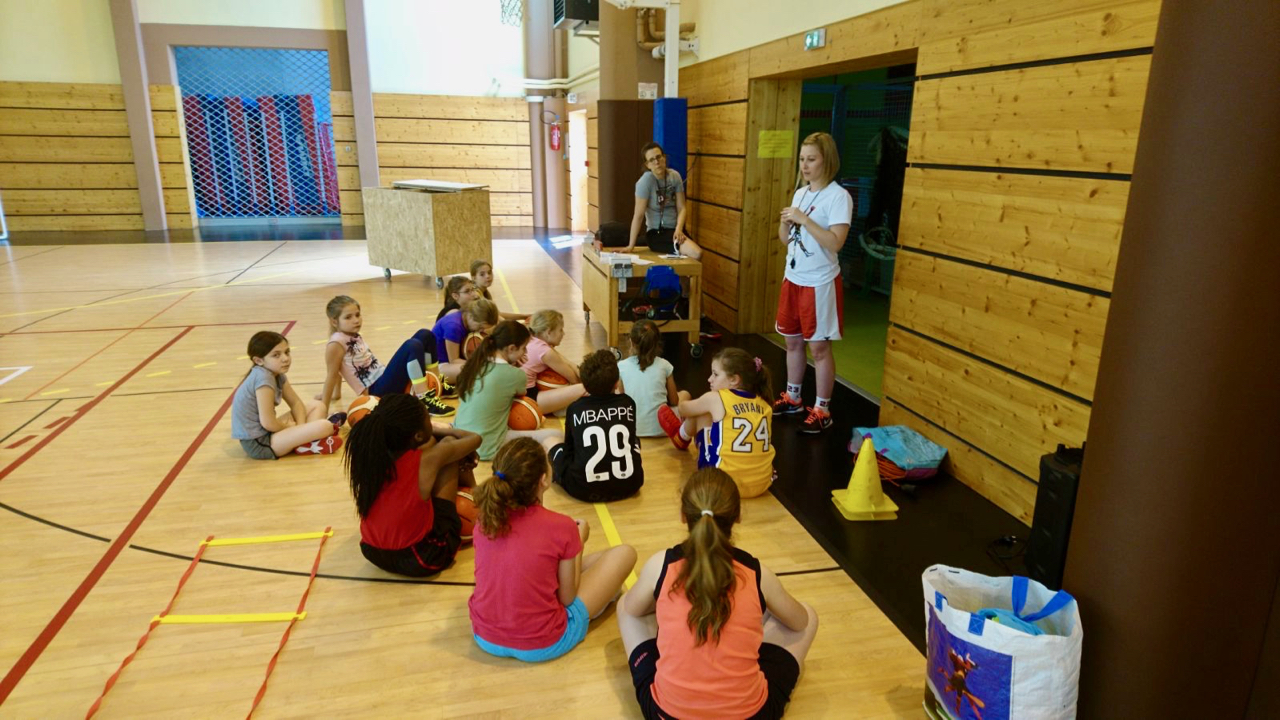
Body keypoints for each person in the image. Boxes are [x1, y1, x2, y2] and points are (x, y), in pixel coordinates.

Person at [616, 468, 819, 719]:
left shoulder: (661, 565)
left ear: (683, 515)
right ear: (738, 516)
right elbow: (800, 622)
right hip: (751, 716)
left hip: (667, 715)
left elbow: (632, 609)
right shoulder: (757, 574)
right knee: (808, 614)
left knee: (626, 606)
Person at [469, 437, 637, 662]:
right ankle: (603, 600)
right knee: (625, 553)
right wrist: (579, 541)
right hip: (543, 643)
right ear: (544, 480)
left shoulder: (485, 520)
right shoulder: (562, 526)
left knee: (592, 560)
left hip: (485, 637)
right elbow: (567, 598)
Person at [345, 393, 482, 577]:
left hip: (371, 550)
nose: (431, 422)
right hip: (421, 558)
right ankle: (477, 497)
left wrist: (432, 434)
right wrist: (444, 433)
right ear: (417, 435)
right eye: (428, 418)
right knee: (450, 444)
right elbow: (475, 438)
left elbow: (428, 441)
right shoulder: (428, 460)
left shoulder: (372, 456)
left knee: (444, 448)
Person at [774, 131, 853, 434]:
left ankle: (823, 409)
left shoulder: (838, 197)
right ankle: (793, 397)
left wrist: (805, 220)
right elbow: (787, 240)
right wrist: (785, 222)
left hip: (819, 282)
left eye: (811, 159)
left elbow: (835, 243)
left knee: (818, 347)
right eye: (802, 159)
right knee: (792, 341)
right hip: (793, 277)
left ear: (826, 161)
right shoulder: (801, 194)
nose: (804, 166)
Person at [658, 347, 775, 499]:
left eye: (715, 374)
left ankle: (680, 436)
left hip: (723, 485)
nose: (709, 379)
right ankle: (681, 436)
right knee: (713, 416)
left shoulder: (715, 398)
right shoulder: (765, 403)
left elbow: (683, 409)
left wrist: (683, 397)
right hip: (762, 483)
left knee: (701, 412)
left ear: (734, 380)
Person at [320, 295, 455, 418]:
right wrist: (323, 410)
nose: (356, 320)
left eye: (357, 315)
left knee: (425, 335)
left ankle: (436, 384)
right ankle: (424, 399)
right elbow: (332, 374)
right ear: (334, 322)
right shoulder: (336, 343)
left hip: (385, 379)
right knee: (412, 345)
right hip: (377, 391)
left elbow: (339, 370)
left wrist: (336, 394)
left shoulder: (351, 334)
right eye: (348, 317)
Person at [452, 320, 563, 460]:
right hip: (487, 448)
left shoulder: (475, 364)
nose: (525, 353)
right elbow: (521, 397)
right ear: (511, 348)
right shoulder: (516, 375)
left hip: (461, 442)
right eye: (524, 348)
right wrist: (515, 367)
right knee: (557, 435)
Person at [549, 349, 644, 502]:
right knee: (634, 440)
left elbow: (569, 448)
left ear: (585, 387)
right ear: (616, 383)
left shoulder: (575, 408)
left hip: (582, 490)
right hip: (631, 485)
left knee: (551, 441)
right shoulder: (628, 403)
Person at [232, 331, 343, 459]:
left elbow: (296, 403)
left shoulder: (277, 374)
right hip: (261, 444)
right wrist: (290, 429)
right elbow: (268, 423)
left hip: (269, 433)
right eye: (276, 355)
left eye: (287, 352)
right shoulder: (263, 379)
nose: (285, 358)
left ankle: (307, 444)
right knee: (326, 426)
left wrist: (301, 428)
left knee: (318, 405)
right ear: (259, 360)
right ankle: (314, 438)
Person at [623, 142, 702, 259]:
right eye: (652, 160)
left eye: (659, 157)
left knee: (695, 257)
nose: (657, 162)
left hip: (676, 230)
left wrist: (679, 229)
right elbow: (638, 215)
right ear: (647, 165)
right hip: (657, 233)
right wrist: (631, 246)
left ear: (664, 158)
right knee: (696, 253)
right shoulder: (645, 182)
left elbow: (682, 208)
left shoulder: (674, 176)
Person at [617, 319, 683, 437]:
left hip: (632, 429)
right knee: (685, 395)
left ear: (631, 342)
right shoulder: (665, 365)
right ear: (657, 342)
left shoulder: (621, 366)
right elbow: (674, 401)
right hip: (663, 430)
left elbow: (621, 398)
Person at [519, 309, 587, 413]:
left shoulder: (531, 339)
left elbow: (564, 361)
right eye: (560, 330)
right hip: (529, 399)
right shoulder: (545, 351)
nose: (563, 334)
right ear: (549, 332)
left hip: (517, 394)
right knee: (583, 388)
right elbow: (573, 379)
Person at [432, 297, 499, 382]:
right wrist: (482, 363)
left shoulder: (466, 317)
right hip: (439, 366)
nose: (481, 331)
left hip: (452, 362)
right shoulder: (454, 327)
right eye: (480, 327)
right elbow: (454, 361)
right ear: (470, 316)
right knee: (477, 370)